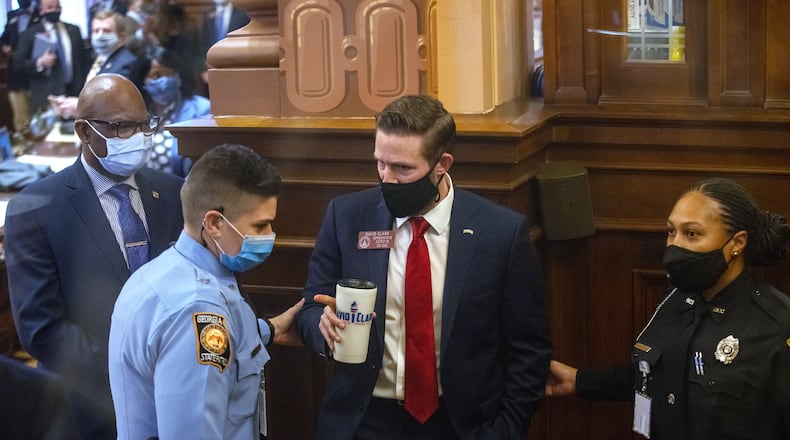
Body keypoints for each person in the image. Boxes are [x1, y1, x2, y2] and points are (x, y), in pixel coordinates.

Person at [295, 94, 553, 439]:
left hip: (460, 423)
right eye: (380, 164)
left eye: (403, 168)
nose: (387, 179)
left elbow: (529, 348)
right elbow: (311, 306)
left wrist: (507, 428)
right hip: (365, 418)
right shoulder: (348, 217)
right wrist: (322, 325)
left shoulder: (500, 234)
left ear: (442, 163)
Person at [5, 73, 184, 439]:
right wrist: (131, 370)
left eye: (143, 124)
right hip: (88, 405)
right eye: (120, 128)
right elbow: (42, 329)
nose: (137, 137)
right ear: (84, 132)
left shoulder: (173, 193)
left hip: (176, 398)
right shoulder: (36, 208)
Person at [547, 177, 790, 439]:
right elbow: (654, 377)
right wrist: (579, 381)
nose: (675, 246)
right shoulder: (676, 300)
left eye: (692, 234)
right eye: (671, 231)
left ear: (737, 243)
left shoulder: (776, 326)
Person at [109, 143, 304, 439]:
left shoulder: (161, 272)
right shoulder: (198, 309)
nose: (269, 237)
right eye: (260, 225)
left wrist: (269, 331)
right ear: (214, 223)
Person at [49, 10, 147, 120]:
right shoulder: (100, 58)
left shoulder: (127, 62)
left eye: (106, 31)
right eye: (96, 31)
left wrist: (79, 107)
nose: (100, 36)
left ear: (121, 36)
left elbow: (114, 103)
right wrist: (68, 103)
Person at [12, 0, 89, 115]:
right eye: (50, 8)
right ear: (41, 11)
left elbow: (83, 61)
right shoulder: (29, 34)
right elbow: (18, 65)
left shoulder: (74, 30)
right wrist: (40, 63)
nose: (55, 11)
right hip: (46, 96)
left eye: (57, 7)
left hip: (74, 93)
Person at [143, 48, 211, 176]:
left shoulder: (202, 109)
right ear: (143, 79)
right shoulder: (136, 112)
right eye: (155, 75)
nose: (164, 81)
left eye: (169, 74)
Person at [0, 0, 40, 142]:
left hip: (35, 74)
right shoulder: (12, 15)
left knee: (36, 118)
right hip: (15, 75)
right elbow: (3, 39)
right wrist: (4, 47)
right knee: (20, 118)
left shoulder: (40, 13)